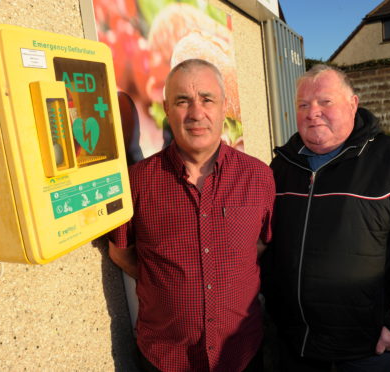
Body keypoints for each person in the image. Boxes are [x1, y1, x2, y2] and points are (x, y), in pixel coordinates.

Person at [261, 64, 390, 372]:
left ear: (353, 104)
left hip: (366, 350)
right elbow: (267, 246)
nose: (312, 113)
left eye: (325, 102)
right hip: (295, 345)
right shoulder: (282, 166)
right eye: (303, 105)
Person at [108, 59, 275, 372]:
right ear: (167, 109)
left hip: (241, 354)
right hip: (165, 358)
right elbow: (121, 254)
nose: (197, 113)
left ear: (224, 106)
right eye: (183, 101)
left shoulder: (259, 177)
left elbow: (259, 246)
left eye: (207, 99)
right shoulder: (136, 181)